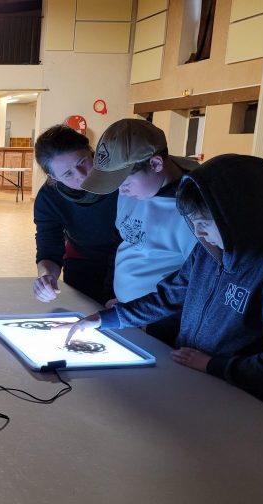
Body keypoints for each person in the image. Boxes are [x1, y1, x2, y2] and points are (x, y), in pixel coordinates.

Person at [66, 154, 263, 409]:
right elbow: (167, 297)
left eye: (204, 223)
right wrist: (106, 319)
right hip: (190, 379)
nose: (200, 233)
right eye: (194, 224)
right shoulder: (207, 251)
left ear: (238, 216)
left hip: (241, 399)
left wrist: (212, 364)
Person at [81, 118, 198, 346]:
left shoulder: (195, 209)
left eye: (123, 181)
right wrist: (113, 298)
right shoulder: (132, 191)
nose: (120, 190)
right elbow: (122, 242)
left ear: (155, 164)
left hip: (161, 325)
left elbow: (195, 283)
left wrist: (155, 325)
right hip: (127, 315)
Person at [32, 125, 120, 305]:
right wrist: (46, 276)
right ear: (53, 177)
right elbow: (49, 247)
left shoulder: (120, 179)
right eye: (67, 173)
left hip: (128, 261)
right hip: (83, 261)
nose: (81, 175)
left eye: (82, 162)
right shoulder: (49, 198)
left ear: (91, 152)